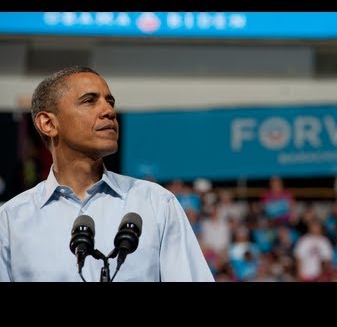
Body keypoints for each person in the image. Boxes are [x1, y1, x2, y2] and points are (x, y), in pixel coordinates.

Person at [0, 66, 215, 282]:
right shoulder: (10, 221)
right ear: (48, 123)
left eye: (110, 102)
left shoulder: (156, 203)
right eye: (89, 101)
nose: (109, 111)